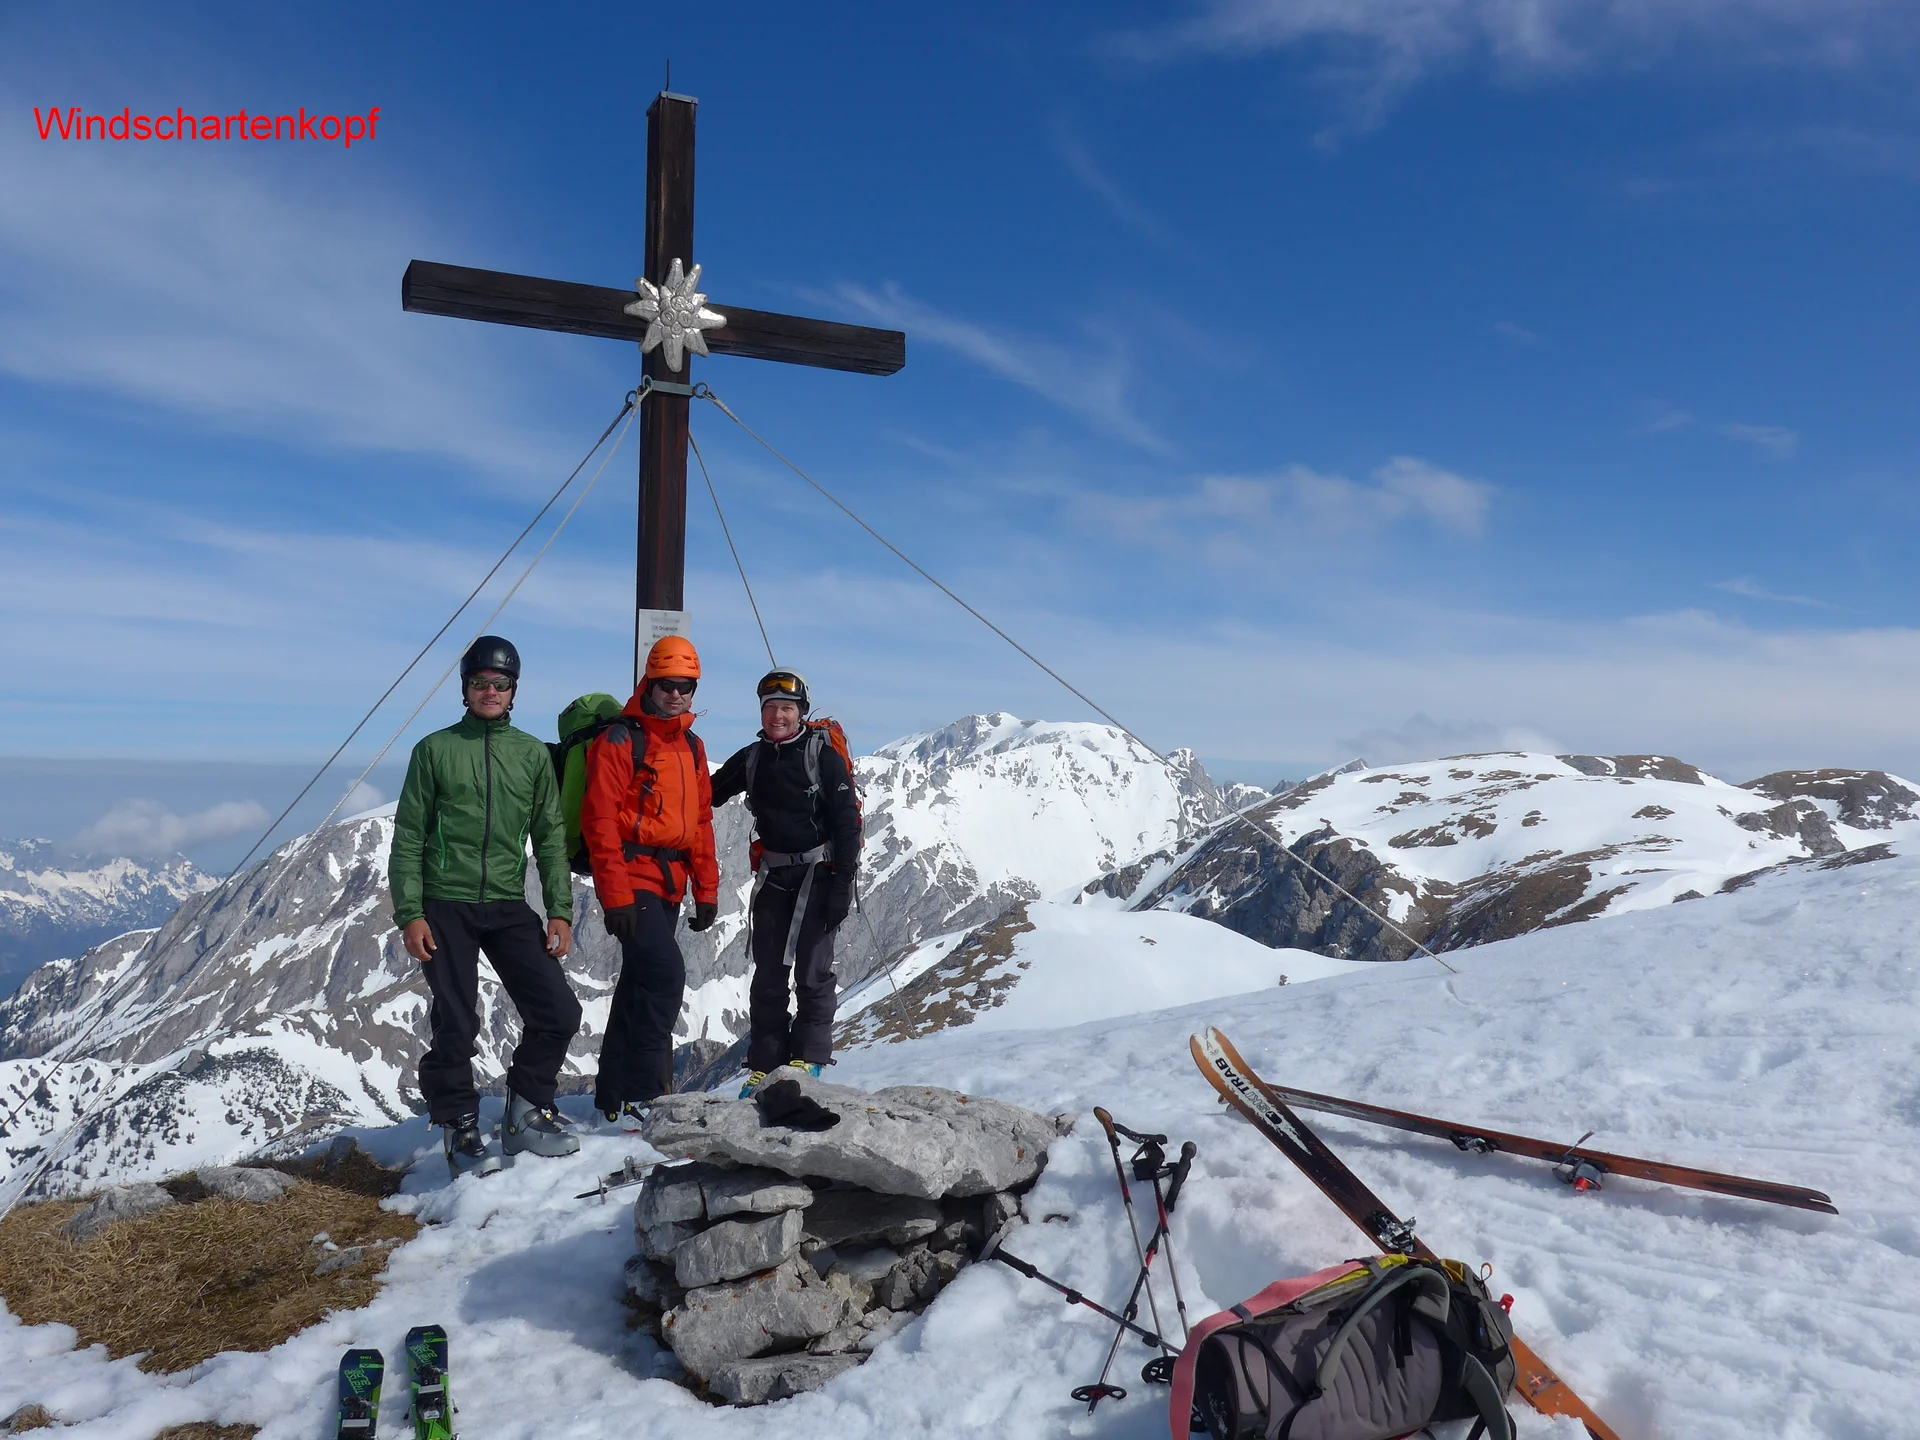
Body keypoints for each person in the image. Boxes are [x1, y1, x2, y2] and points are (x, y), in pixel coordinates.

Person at [389, 635, 583, 1178]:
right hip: (444, 902)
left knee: (558, 1012)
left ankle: (525, 1112)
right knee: (456, 1019)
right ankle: (459, 1124)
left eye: (500, 684)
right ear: (466, 688)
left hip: (506, 902)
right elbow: (408, 836)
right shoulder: (434, 750)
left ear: (513, 690)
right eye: (480, 683)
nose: (490, 691)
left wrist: (559, 910)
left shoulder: (532, 754)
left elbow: (550, 837)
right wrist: (410, 913)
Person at [580, 635, 719, 1126]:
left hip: (670, 881)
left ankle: (612, 1095)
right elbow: (599, 821)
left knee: (639, 983)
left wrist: (706, 889)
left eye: (686, 686)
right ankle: (643, 1095)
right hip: (632, 877)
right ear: (650, 683)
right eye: (667, 685)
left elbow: (700, 820)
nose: (677, 694)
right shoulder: (620, 740)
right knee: (664, 975)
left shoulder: (691, 745)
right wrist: (615, 895)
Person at [709, 669, 861, 1097]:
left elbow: (847, 823)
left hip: (820, 875)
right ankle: (765, 1063)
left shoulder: (822, 756)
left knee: (812, 971)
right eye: (771, 707)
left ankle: (808, 1058)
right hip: (774, 877)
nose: (778, 715)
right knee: (769, 978)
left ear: (801, 713)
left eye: (787, 709)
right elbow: (707, 793)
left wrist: (842, 886)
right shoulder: (752, 758)